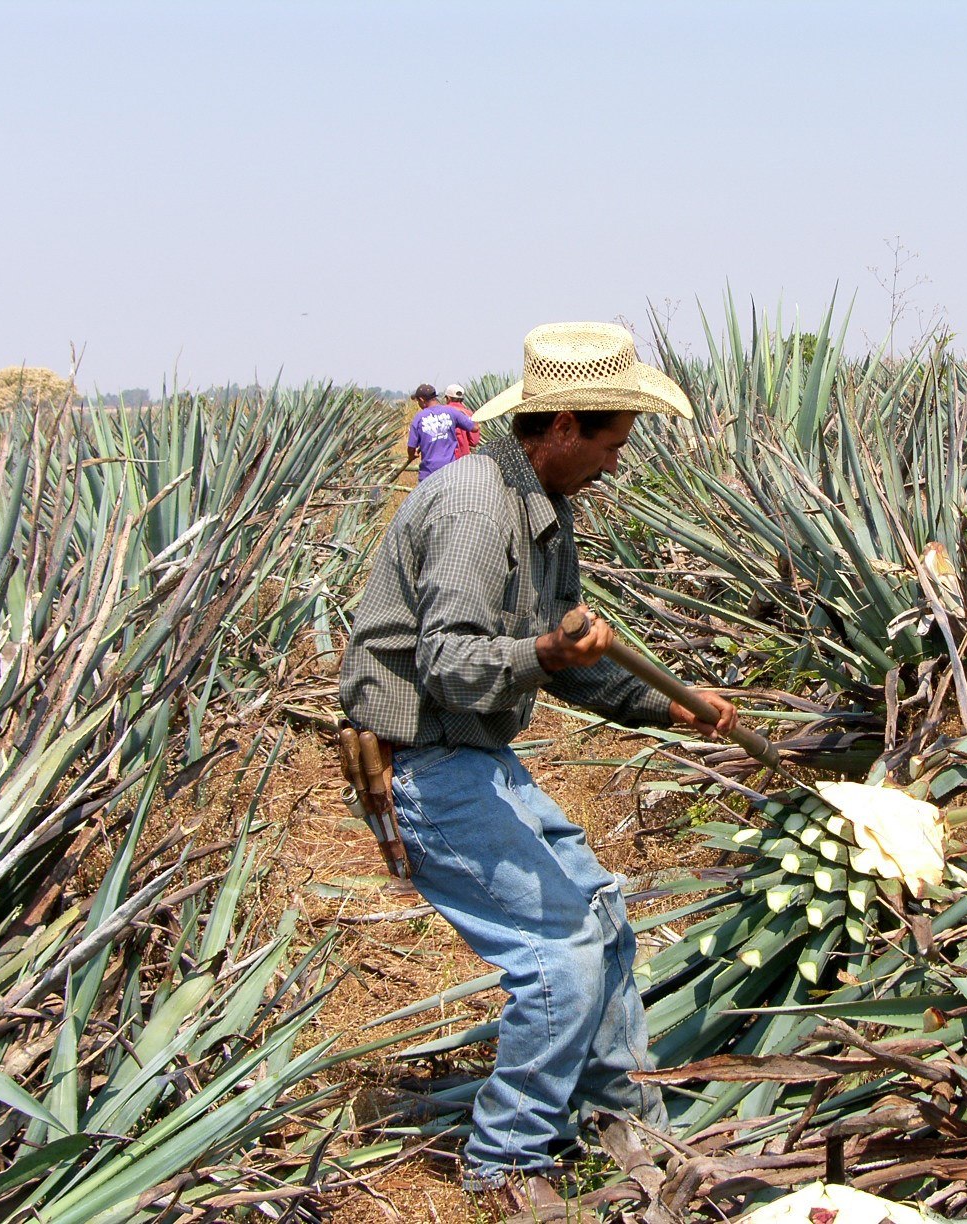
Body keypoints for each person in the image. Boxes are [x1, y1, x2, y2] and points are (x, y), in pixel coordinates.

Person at [340, 322, 738, 1208]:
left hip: (471, 751)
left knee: (604, 911)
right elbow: (453, 664)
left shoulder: (544, 510)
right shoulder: (479, 505)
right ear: (560, 427)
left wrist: (666, 704)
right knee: (558, 955)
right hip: (429, 762)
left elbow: (573, 652)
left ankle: (622, 1122)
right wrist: (545, 655)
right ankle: (509, 1160)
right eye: (610, 443)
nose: (615, 463)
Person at [405, 383, 479, 480]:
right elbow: (475, 427)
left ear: (422, 400)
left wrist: (411, 455)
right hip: (450, 471)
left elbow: (411, 447)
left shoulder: (419, 418)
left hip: (428, 473)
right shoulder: (451, 412)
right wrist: (462, 412)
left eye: (418, 401)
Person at [444, 382, 482, 459]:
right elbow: (474, 441)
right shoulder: (469, 414)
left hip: (445, 459)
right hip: (463, 460)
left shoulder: (441, 412)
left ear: (448, 398)